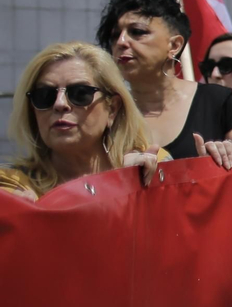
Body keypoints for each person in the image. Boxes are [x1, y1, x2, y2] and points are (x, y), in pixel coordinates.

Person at [96, 0, 232, 168]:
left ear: (174, 45)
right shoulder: (101, 110)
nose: (121, 42)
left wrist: (226, 159)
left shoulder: (217, 102)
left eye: (137, 32)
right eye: (114, 35)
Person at [2, 42, 158, 199]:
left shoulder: (151, 165)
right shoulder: (11, 187)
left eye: (80, 93)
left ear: (112, 108)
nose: (60, 104)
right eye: (45, 96)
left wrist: (132, 180)